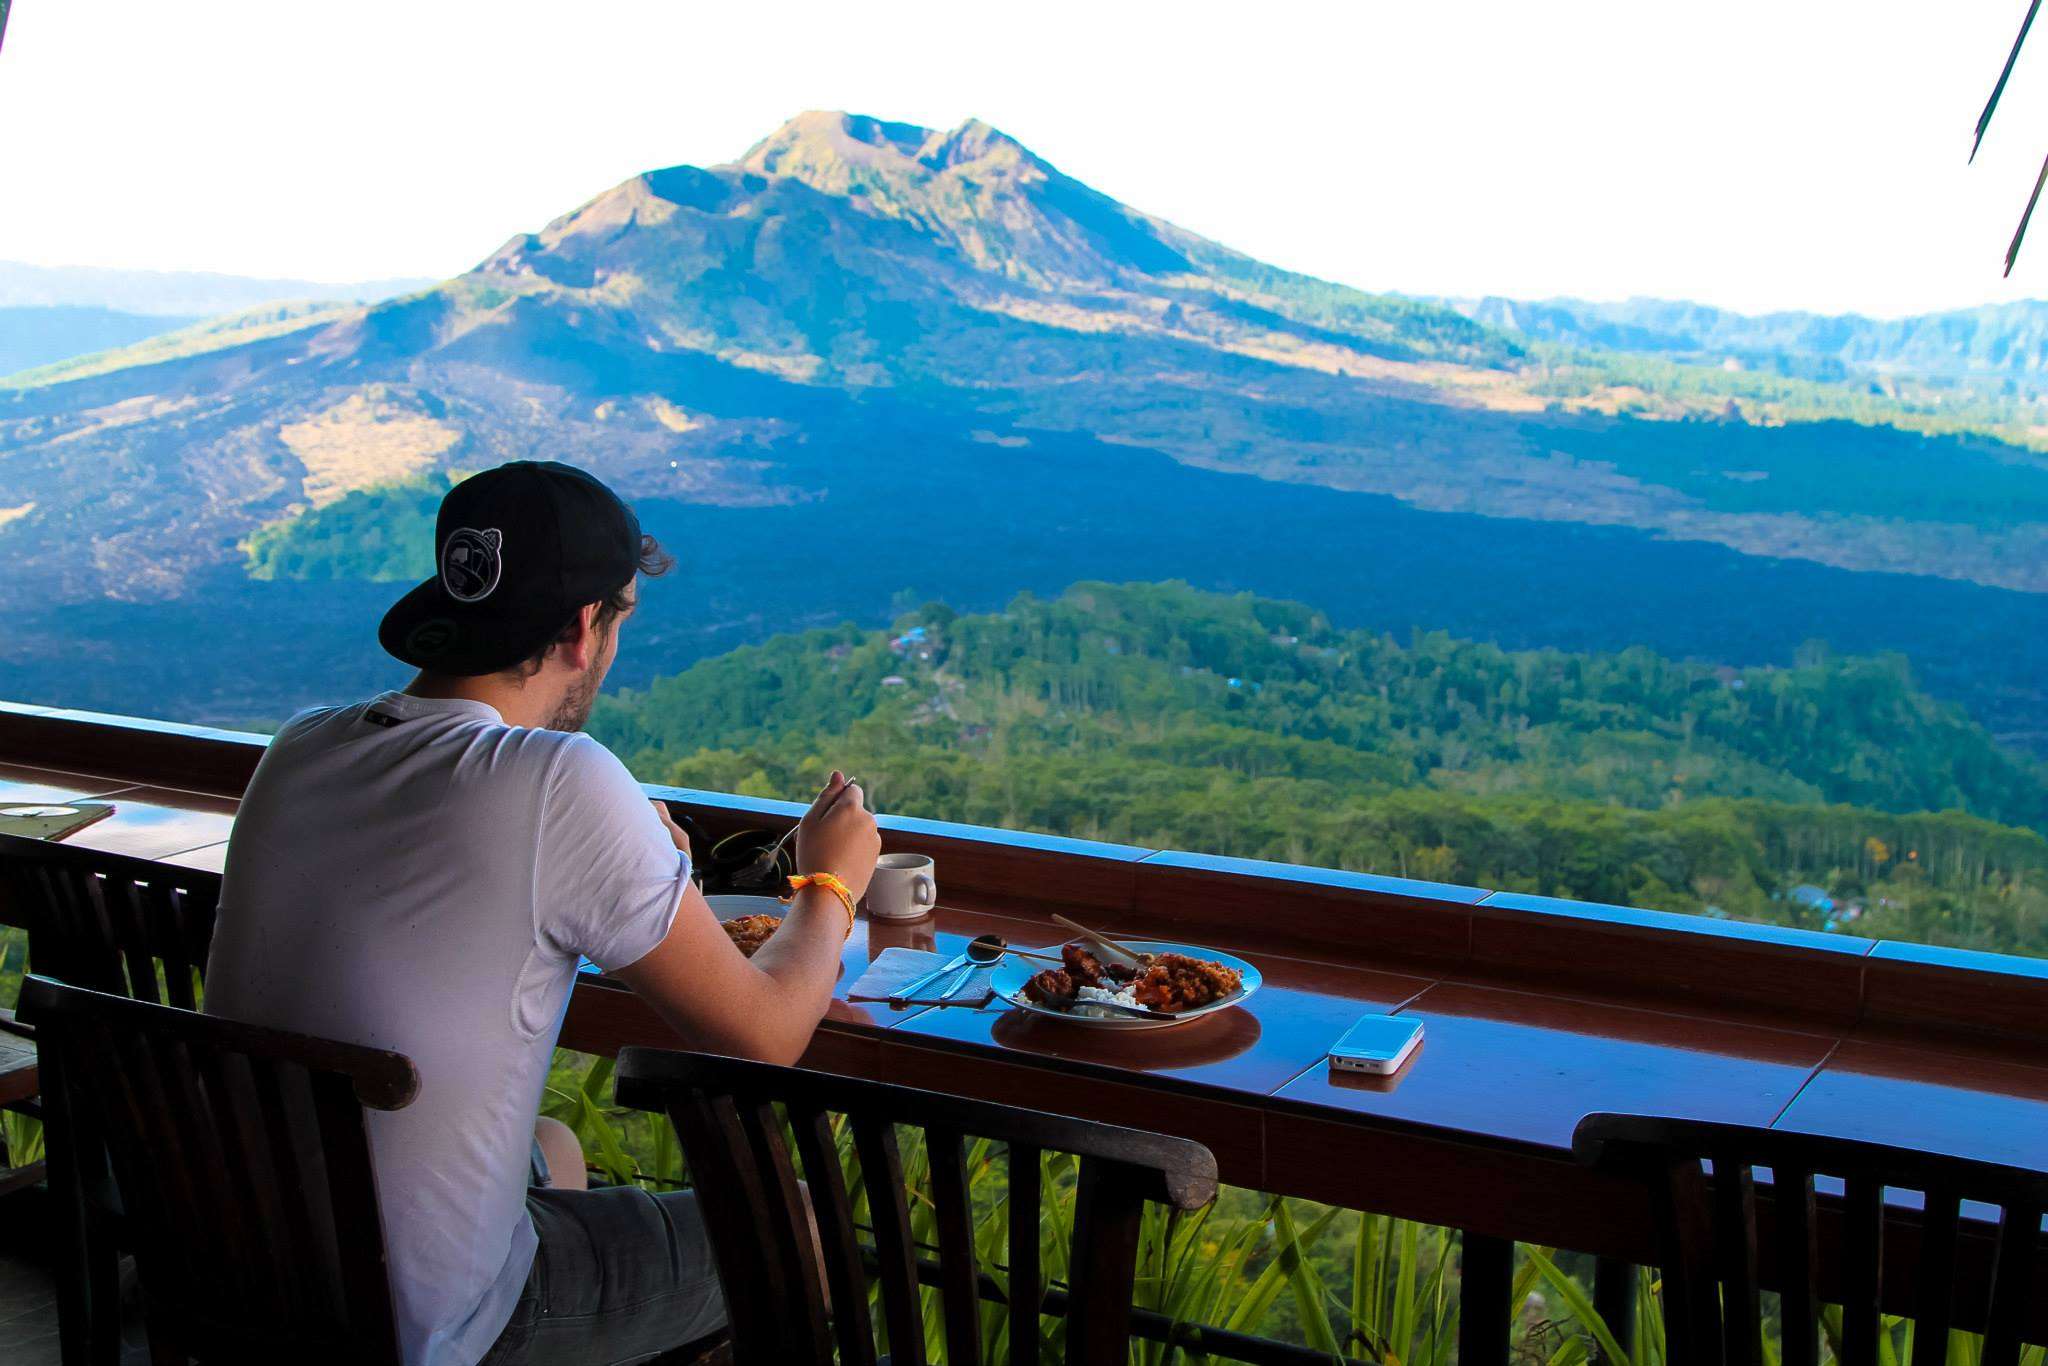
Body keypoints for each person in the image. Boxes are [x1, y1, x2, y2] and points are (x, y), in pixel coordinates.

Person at [204, 460, 879, 1366]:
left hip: (245, 1267)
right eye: (621, 620)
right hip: (419, 1328)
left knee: (554, 1148)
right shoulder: (558, 776)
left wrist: (647, 866)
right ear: (582, 627)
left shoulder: (301, 744)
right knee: (794, 1225)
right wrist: (830, 882)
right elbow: (763, 1036)